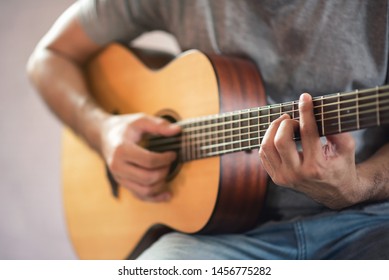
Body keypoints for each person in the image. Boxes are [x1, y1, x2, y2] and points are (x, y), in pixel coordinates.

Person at [27, 0, 389, 259]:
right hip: (221, 239)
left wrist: (356, 187)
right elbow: (49, 58)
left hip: (371, 224)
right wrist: (101, 130)